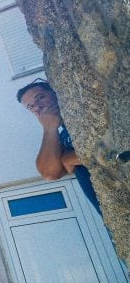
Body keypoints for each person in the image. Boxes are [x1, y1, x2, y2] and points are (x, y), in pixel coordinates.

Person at [17, 79, 101, 213]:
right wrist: (49, 128)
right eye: (30, 107)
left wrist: (68, 159)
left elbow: (110, 147)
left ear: (55, 93)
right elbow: (49, 173)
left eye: (40, 97)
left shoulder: (87, 115)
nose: (37, 107)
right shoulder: (58, 137)